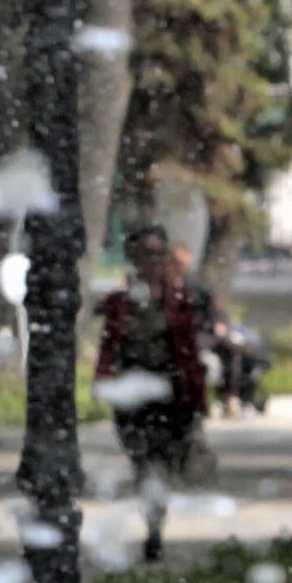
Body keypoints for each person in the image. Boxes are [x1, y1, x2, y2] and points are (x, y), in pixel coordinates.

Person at [97, 221, 216, 563]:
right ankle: (154, 525)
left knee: (163, 463)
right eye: (148, 253)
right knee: (144, 464)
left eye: (161, 253)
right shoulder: (120, 303)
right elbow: (109, 347)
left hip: (171, 395)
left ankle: (155, 523)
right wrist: (103, 380)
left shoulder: (178, 301)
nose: (156, 261)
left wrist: (198, 400)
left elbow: (190, 353)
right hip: (133, 399)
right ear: (133, 257)